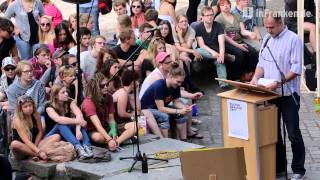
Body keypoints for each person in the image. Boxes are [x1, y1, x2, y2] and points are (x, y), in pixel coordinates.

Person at [250, 11, 305, 180]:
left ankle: (298, 170)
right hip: (269, 93)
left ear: (281, 23)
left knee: (293, 132)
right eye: (266, 27)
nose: (268, 30)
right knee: (273, 133)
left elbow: (295, 69)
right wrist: (254, 78)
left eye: (271, 27)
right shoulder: (267, 38)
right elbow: (262, 63)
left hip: (288, 94)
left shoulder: (294, 39)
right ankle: (279, 168)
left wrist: (278, 82)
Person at [82, 73, 135, 151]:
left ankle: (116, 142)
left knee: (135, 125)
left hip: (106, 126)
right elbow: (98, 126)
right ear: (96, 88)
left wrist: (113, 130)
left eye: (107, 84)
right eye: (102, 86)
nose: (106, 87)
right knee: (98, 138)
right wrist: (109, 139)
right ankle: (114, 141)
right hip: (92, 130)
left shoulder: (109, 97)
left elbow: (111, 119)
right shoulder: (88, 102)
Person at [140, 63, 188, 139]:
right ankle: (165, 142)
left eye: (181, 82)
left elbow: (176, 102)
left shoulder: (176, 85)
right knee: (164, 116)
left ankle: (184, 140)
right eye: (178, 81)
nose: (180, 84)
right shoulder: (159, 85)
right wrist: (178, 111)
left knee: (181, 115)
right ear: (171, 77)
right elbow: (161, 108)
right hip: (147, 109)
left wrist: (185, 108)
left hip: (159, 107)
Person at [44, 84, 93, 159]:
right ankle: (78, 147)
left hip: (66, 134)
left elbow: (79, 114)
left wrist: (78, 130)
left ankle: (87, 146)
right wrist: (78, 122)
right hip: (52, 135)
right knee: (60, 124)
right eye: (63, 92)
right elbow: (58, 119)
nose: (66, 94)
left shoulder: (69, 101)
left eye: (66, 91)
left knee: (81, 124)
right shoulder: (49, 106)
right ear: (56, 96)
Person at [215, 0, 258, 81]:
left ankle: (251, 73)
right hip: (227, 43)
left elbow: (242, 31)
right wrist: (238, 46)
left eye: (227, 4)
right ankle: (237, 76)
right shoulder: (218, 19)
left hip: (239, 40)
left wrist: (250, 33)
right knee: (239, 53)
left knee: (252, 52)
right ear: (219, 7)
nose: (226, 6)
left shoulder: (236, 15)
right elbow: (224, 36)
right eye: (222, 4)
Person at [113, 70, 163, 138]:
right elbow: (121, 114)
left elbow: (138, 109)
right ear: (133, 82)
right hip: (118, 124)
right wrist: (132, 115)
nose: (138, 82)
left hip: (123, 121)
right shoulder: (123, 93)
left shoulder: (127, 92)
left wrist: (136, 91)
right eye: (137, 80)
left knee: (142, 114)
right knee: (140, 118)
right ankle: (147, 136)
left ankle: (149, 136)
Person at [10, 95, 59, 160]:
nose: (29, 108)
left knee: (57, 136)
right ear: (21, 109)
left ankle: (34, 154)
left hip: (35, 144)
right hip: (22, 149)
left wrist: (35, 147)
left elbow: (40, 132)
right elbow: (26, 141)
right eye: (25, 107)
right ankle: (38, 155)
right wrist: (39, 151)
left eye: (30, 105)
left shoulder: (36, 114)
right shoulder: (17, 120)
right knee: (14, 144)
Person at [193, 6, 229, 89]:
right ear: (202, 17)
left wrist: (221, 55)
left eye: (211, 15)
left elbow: (221, 43)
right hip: (204, 53)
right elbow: (202, 45)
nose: (210, 17)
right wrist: (215, 54)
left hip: (216, 53)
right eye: (207, 15)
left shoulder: (218, 26)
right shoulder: (198, 27)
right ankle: (221, 56)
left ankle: (224, 84)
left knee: (220, 62)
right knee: (199, 50)